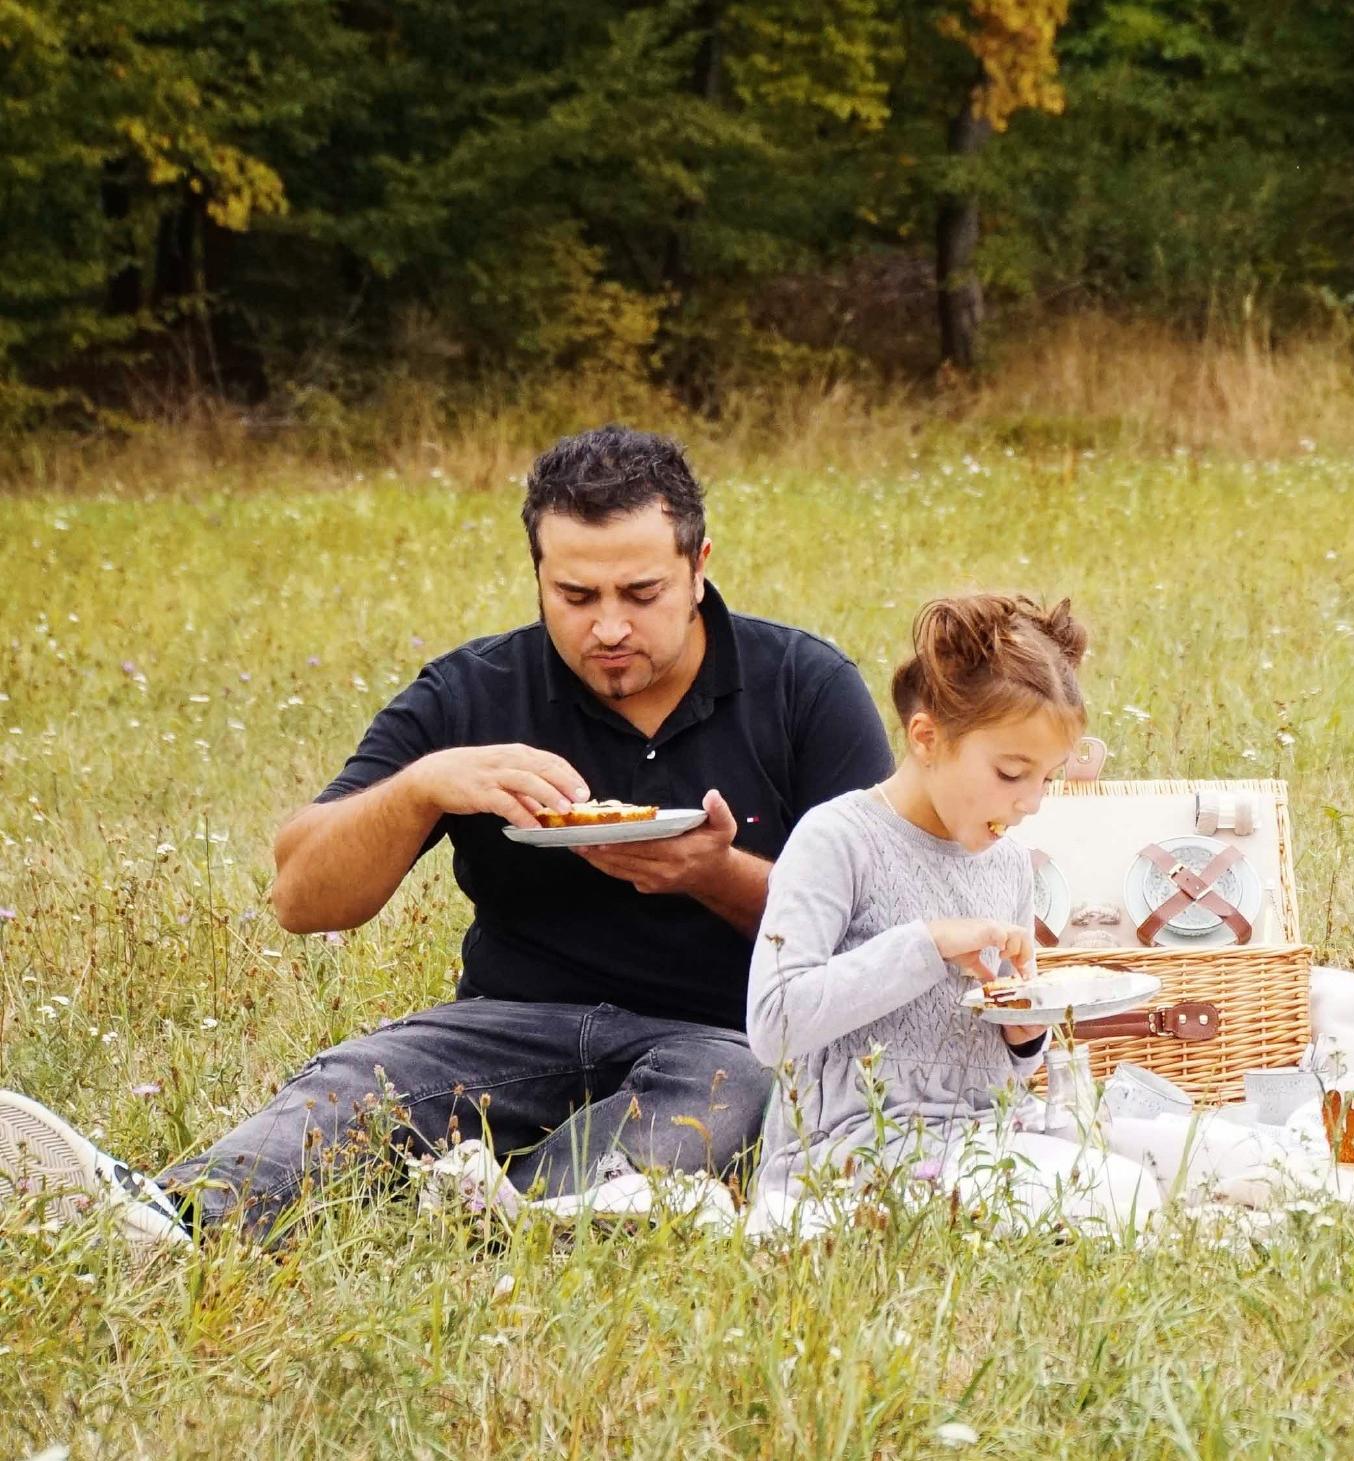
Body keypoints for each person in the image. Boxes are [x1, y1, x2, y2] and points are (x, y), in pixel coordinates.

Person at [0, 425, 892, 1246]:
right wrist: (422, 788)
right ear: (537, 573)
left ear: (699, 567)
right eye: (575, 595)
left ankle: (524, 1211)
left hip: (724, 1032)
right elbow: (299, 897)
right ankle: (169, 1218)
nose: (609, 626)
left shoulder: (803, 687)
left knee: (732, 1093)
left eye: (641, 593)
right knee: (362, 1078)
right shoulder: (476, 689)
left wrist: (714, 872)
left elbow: (880, 933)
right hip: (506, 1025)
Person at [744, 593, 1159, 1235]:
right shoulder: (837, 840)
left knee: (1179, 1167)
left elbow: (1000, 1062)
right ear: (927, 738)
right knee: (1116, 1195)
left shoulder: (1008, 863)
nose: (1031, 804)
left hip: (987, 1137)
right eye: (1011, 773)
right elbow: (773, 1025)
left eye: (1047, 779)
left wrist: (1024, 1035)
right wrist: (926, 944)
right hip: (849, 1155)